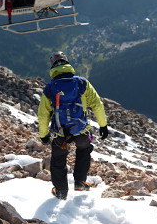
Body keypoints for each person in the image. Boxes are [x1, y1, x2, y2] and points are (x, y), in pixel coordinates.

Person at [38, 51, 109, 200]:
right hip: (81, 129)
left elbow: (43, 114)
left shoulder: (50, 88)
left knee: (58, 160)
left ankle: (61, 192)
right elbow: (97, 104)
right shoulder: (82, 83)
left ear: (52, 66)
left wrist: (44, 135)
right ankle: (80, 183)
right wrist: (103, 125)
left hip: (60, 133)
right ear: (67, 62)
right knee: (84, 150)